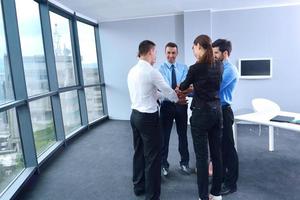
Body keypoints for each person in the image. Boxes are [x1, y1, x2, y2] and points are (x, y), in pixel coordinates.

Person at [127, 40, 180, 200]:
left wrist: (165, 96)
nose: (156, 56)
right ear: (150, 52)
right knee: (153, 157)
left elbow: (152, 93)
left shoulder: (132, 71)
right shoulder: (152, 72)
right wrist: (178, 97)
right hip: (148, 119)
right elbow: (168, 91)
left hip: (134, 115)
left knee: (138, 152)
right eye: (155, 52)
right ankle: (152, 196)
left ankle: (138, 186)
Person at [179, 35, 223, 200]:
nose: (194, 51)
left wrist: (188, 86)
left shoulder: (195, 68)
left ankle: (203, 197)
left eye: (194, 48)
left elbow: (183, 86)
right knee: (217, 154)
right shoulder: (219, 65)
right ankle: (216, 194)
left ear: (199, 46)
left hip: (201, 115)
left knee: (202, 157)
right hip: (216, 112)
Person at [159, 42, 192, 176]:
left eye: (173, 53)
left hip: (181, 106)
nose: (171, 55)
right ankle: (163, 165)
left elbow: (185, 85)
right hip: (166, 106)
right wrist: (179, 90)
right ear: (165, 53)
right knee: (164, 137)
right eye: (168, 53)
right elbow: (165, 87)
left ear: (177, 54)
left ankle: (184, 163)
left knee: (183, 135)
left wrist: (180, 89)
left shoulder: (184, 68)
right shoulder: (160, 69)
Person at [212, 39, 239, 195]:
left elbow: (214, 87)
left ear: (225, 53)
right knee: (218, 148)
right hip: (215, 111)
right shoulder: (216, 67)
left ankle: (231, 183)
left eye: (216, 52)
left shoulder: (230, 70)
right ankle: (220, 177)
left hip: (224, 111)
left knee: (228, 149)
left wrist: (188, 90)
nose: (214, 55)